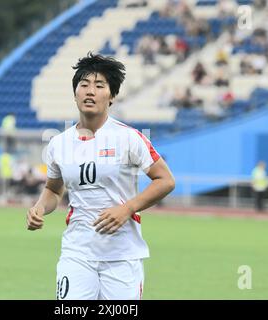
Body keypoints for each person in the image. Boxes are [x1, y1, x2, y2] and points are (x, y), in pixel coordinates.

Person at [26, 52, 175, 300]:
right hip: (77, 252)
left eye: (99, 85)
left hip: (122, 255)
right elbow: (53, 190)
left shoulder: (129, 138)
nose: (90, 91)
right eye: (83, 85)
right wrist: (39, 208)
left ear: (112, 95)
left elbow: (166, 180)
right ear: (75, 94)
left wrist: (127, 208)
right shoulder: (58, 144)